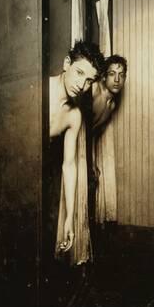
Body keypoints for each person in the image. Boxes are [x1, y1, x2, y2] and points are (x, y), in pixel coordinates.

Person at [49, 41, 104, 254]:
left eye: (89, 80)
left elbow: (69, 166)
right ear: (66, 64)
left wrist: (69, 219)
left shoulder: (74, 116)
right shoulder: (40, 88)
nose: (82, 85)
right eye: (79, 73)